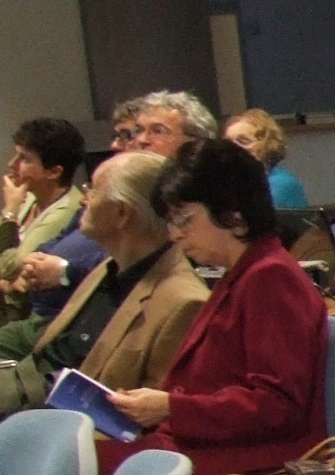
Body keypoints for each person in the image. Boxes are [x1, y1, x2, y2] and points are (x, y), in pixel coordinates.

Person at [102, 138, 327, 475]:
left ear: (233, 214)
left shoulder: (270, 278)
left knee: (70, 474)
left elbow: (278, 406)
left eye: (185, 220)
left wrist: (170, 407)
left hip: (247, 464)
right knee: (71, 462)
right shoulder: (243, 272)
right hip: (208, 447)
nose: (175, 234)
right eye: (171, 222)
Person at [0, 152, 204, 416]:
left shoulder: (184, 302)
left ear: (122, 213)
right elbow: (47, 343)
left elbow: (149, 416)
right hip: (26, 379)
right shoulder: (109, 266)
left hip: (57, 415)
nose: (83, 199)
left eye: (93, 190)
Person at [0, 117, 88, 319]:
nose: (12, 164)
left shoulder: (67, 211)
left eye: (24, 159)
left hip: (27, 316)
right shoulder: (29, 197)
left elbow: (13, 268)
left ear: (54, 172)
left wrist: (10, 212)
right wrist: (6, 284)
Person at [226, 108, 311, 210]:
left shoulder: (280, 183)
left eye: (243, 141)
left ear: (267, 145)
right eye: (227, 143)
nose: (232, 148)